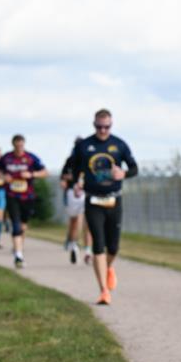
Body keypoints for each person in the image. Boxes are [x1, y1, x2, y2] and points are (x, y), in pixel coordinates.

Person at [70, 108, 139, 304]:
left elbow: (134, 168)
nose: (102, 131)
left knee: (114, 247)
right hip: (93, 200)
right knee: (98, 244)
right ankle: (103, 291)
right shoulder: (84, 146)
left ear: (111, 125)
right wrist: (76, 182)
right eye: (99, 127)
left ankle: (108, 267)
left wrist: (123, 174)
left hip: (114, 199)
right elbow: (74, 168)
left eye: (106, 127)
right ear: (94, 125)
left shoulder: (119, 145)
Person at [0, 134, 47, 268]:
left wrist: (31, 174)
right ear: (13, 145)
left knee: (23, 225)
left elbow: (44, 172)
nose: (19, 148)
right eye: (16, 146)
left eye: (21, 145)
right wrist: (4, 176)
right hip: (12, 195)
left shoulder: (31, 158)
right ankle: (18, 255)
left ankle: (19, 246)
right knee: (16, 225)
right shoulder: (6, 158)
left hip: (28, 196)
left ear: (24, 145)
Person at [60, 137, 91, 264]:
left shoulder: (88, 159)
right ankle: (76, 245)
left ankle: (83, 248)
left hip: (85, 192)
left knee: (84, 221)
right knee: (78, 221)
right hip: (74, 192)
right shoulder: (71, 160)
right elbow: (63, 175)